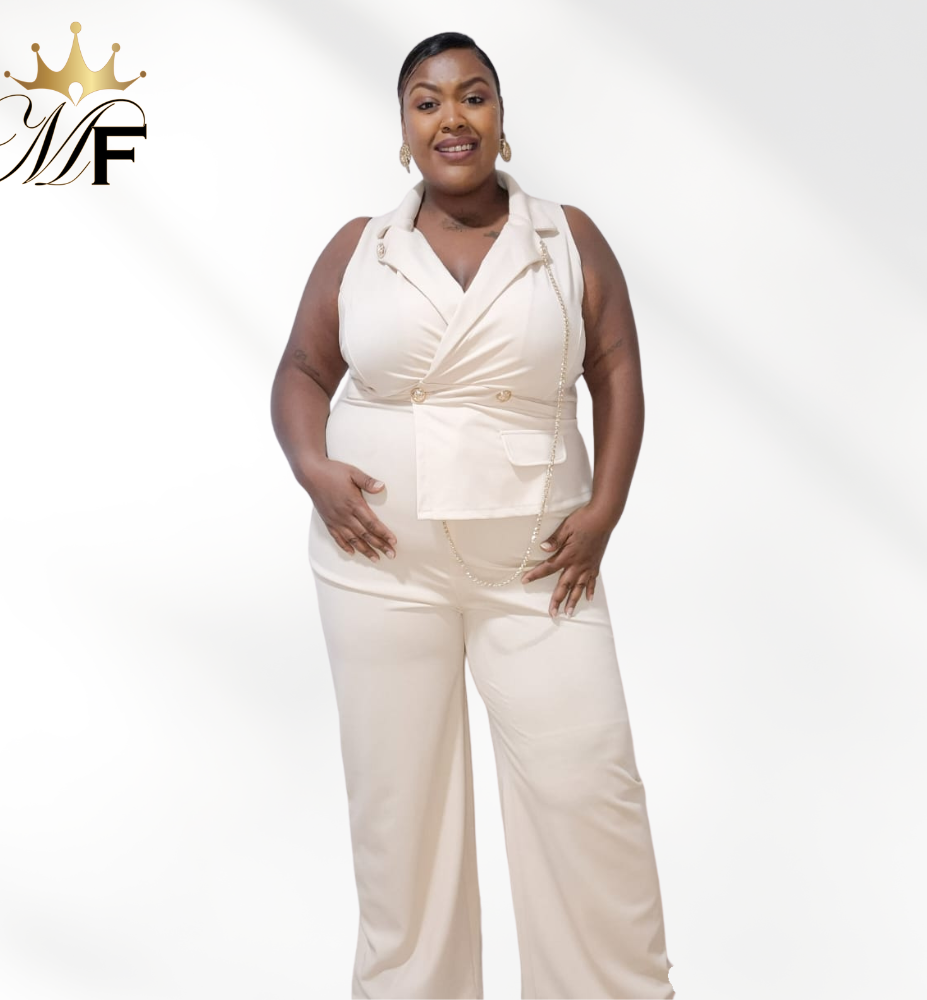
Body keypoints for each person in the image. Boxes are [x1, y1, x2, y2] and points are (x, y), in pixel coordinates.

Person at [270, 31, 676, 1000]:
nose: (451, 117)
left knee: (588, 790)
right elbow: (303, 370)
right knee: (398, 810)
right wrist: (314, 470)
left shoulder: (565, 237)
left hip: (539, 567)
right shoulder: (360, 248)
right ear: (403, 128)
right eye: (427, 101)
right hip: (378, 567)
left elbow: (615, 368)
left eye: (473, 95)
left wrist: (605, 510)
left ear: (499, 116)